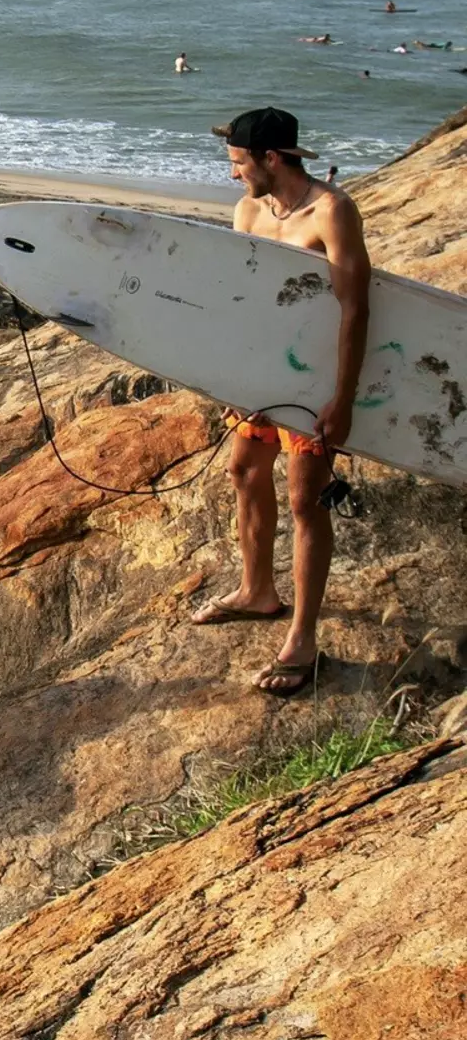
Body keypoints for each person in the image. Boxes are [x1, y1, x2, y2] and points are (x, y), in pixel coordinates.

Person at [190, 108, 370, 699]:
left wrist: (341, 399)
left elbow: (354, 308)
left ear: (272, 159)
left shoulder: (331, 212)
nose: (235, 176)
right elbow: (245, 301)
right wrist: (234, 379)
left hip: (313, 380)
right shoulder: (249, 210)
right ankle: (257, 590)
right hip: (262, 374)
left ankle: (302, 636)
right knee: (243, 471)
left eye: (240, 164)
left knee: (304, 502)